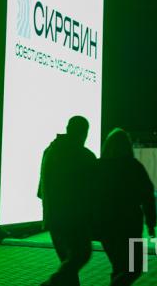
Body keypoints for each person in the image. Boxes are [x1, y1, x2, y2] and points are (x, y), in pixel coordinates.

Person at [37, 116, 97, 286]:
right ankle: (50, 284)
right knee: (81, 255)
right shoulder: (84, 156)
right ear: (84, 133)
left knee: (69, 264)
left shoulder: (50, 151)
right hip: (75, 219)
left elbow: (41, 190)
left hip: (53, 217)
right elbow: (93, 191)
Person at [96, 129, 157, 286]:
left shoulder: (98, 166)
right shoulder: (134, 166)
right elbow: (148, 196)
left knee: (118, 266)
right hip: (129, 223)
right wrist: (150, 223)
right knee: (133, 268)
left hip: (104, 224)